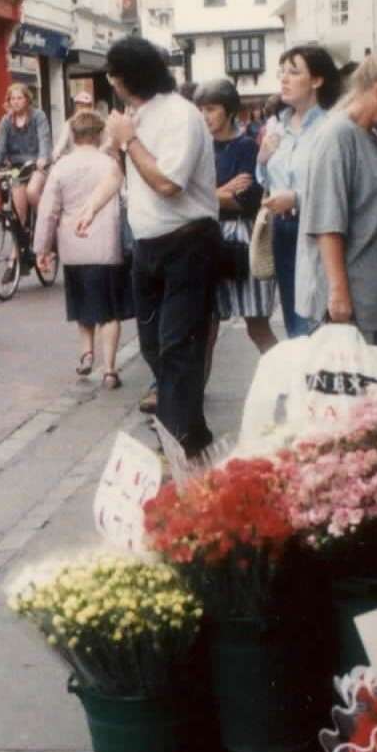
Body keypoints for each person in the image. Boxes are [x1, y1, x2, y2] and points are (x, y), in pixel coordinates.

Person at [265, 44, 377, 355]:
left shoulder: (372, 134)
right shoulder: (337, 136)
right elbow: (328, 223)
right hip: (353, 303)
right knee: (352, 397)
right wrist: (338, 295)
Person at [104, 36, 220, 458]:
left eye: (113, 76)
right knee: (154, 346)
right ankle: (190, 432)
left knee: (177, 347)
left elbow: (169, 184)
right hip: (149, 246)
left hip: (187, 242)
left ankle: (179, 442)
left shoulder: (181, 116)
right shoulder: (139, 115)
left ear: (123, 79)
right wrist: (119, 143)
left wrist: (129, 141)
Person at [34, 110, 128, 388]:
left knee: (82, 304)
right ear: (99, 134)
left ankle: (87, 353)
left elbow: (48, 210)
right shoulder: (110, 163)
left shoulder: (61, 167)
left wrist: (42, 248)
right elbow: (123, 199)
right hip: (107, 244)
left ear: (73, 136)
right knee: (110, 310)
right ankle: (110, 369)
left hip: (73, 245)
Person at [255, 44, 342, 338]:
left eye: (294, 72)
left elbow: (337, 188)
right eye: (282, 73)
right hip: (282, 228)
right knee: (293, 316)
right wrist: (263, 158)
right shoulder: (278, 125)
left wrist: (297, 198)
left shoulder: (331, 127)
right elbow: (264, 178)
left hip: (317, 230)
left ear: (316, 80)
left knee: (317, 314)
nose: (284, 79)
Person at [195, 77, 277, 360]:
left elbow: (247, 200)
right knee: (206, 324)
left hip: (243, 237)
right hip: (206, 235)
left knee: (256, 324)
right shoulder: (198, 147)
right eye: (202, 109)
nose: (205, 116)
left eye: (212, 109)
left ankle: (286, 379)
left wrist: (203, 194)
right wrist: (220, 192)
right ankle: (191, 398)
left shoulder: (245, 148)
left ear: (229, 110)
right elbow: (184, 194)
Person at [0, 82, 52, 237]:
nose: (16, 101)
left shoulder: (38, 116)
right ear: (9, 101)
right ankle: (19, 244)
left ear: (27, 100)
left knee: (32, 192)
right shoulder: (6, 120)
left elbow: (44, 139)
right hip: (17, 167)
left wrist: (43, 157)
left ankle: (46, 226)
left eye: (19, 98)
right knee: (18, 208)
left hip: (37, 165)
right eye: (12, 99)